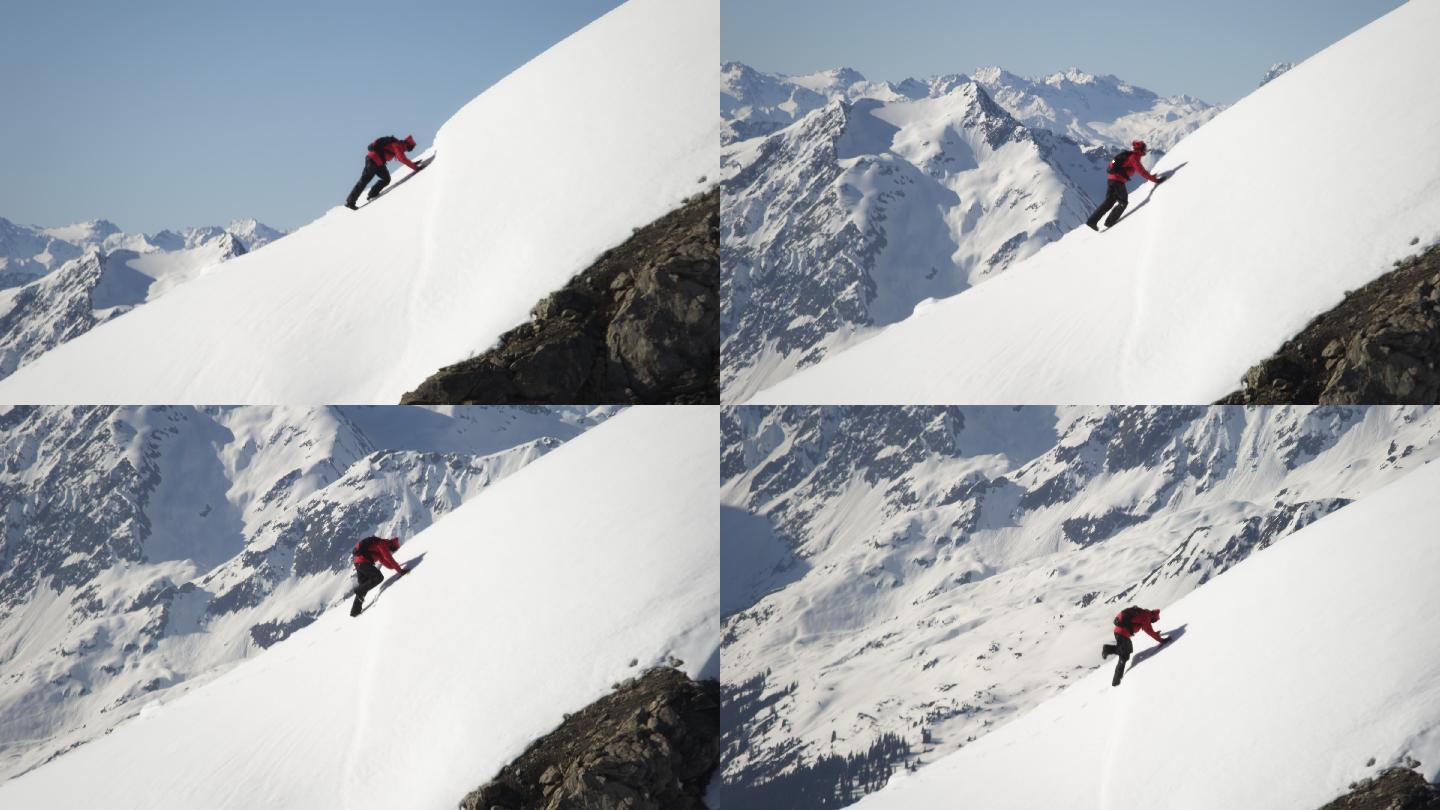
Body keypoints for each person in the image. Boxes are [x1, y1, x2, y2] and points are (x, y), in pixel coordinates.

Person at [1085, 140, 1167, 230]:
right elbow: (1142, 172)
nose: (1145, 151)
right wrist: (1155, 180)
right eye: (1144, 149)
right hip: (1117, 181)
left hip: (1111, 179)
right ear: (1141, 150)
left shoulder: (1129, 155)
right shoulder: (1134, 157)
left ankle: (1092, 221)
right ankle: (1109, 222)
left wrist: (1152, 177)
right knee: (1123, 202)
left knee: (1108, 202)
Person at [344, 135, 423, 210]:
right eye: (410, 148)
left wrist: (413, 164)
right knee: (364, 180)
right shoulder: (397, 145)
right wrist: (416, 168)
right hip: (373, 160)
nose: (409, 150)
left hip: (379, 163)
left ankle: (372, 194)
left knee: (386, 179)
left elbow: (403, 158)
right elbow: (402, 159)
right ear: (407, 144)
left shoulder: (399, 145)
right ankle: (350, 202)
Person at [1101, 605, 1168, 685]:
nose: (1152, 622)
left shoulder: (1144, 613)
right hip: (1122, 634)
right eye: (1153, 621)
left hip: (1120, 633)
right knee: (1124, 656)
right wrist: (1162, 640)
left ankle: (1108, 649)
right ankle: (1116, 682)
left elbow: (1148, 629)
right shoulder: (1146, 618)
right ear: (1153, 618)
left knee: (1128, 649)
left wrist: (1156, 633)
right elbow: (1150, 632)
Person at [350, 535, 407, 616]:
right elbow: (389, 558)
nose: (391, 551)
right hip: (362, 562)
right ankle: (358, 590)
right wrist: (400, 570)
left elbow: (385, 562)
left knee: (364, 586)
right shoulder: (383, 544)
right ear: (392, 546)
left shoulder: (378, 547)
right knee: (378, 578)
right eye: (393, 549)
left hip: (357, 562)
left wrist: (396, 567)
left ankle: (355, 611)